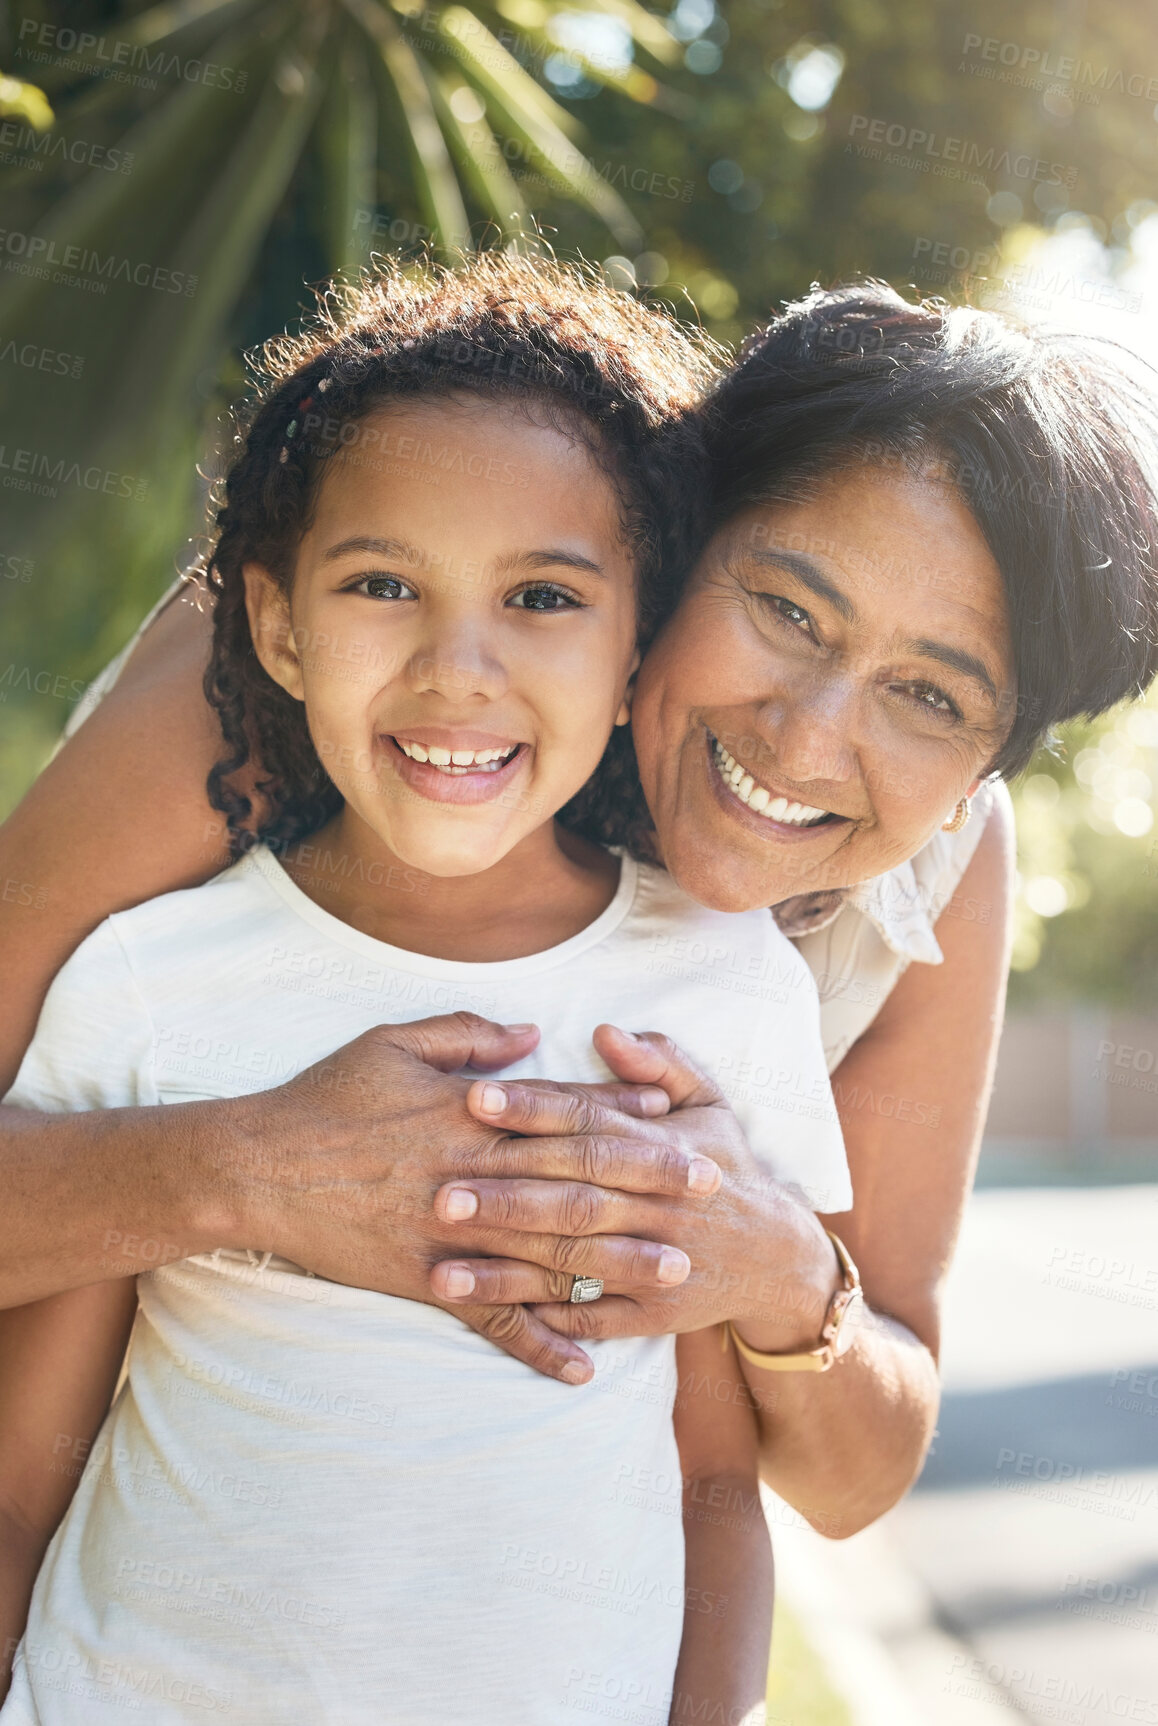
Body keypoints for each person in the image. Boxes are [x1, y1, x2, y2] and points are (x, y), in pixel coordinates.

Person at [1, 275, 1155, 1560]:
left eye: (931, 699)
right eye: (784, 609)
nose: (809, 739)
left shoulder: (937, 868)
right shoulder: (322, 677)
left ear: (985, 769)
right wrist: (250, 1170)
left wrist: (777, 1273)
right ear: (675, 550)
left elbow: (850, 1479)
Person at [0, 258, 851, 1724]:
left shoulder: (719, 991)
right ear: (275, 628)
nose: (458, 668)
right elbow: (27, 1480)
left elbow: (715, 1482)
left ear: (636, 643)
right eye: (383, 584)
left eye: (540, 596)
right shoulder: (148, 981)